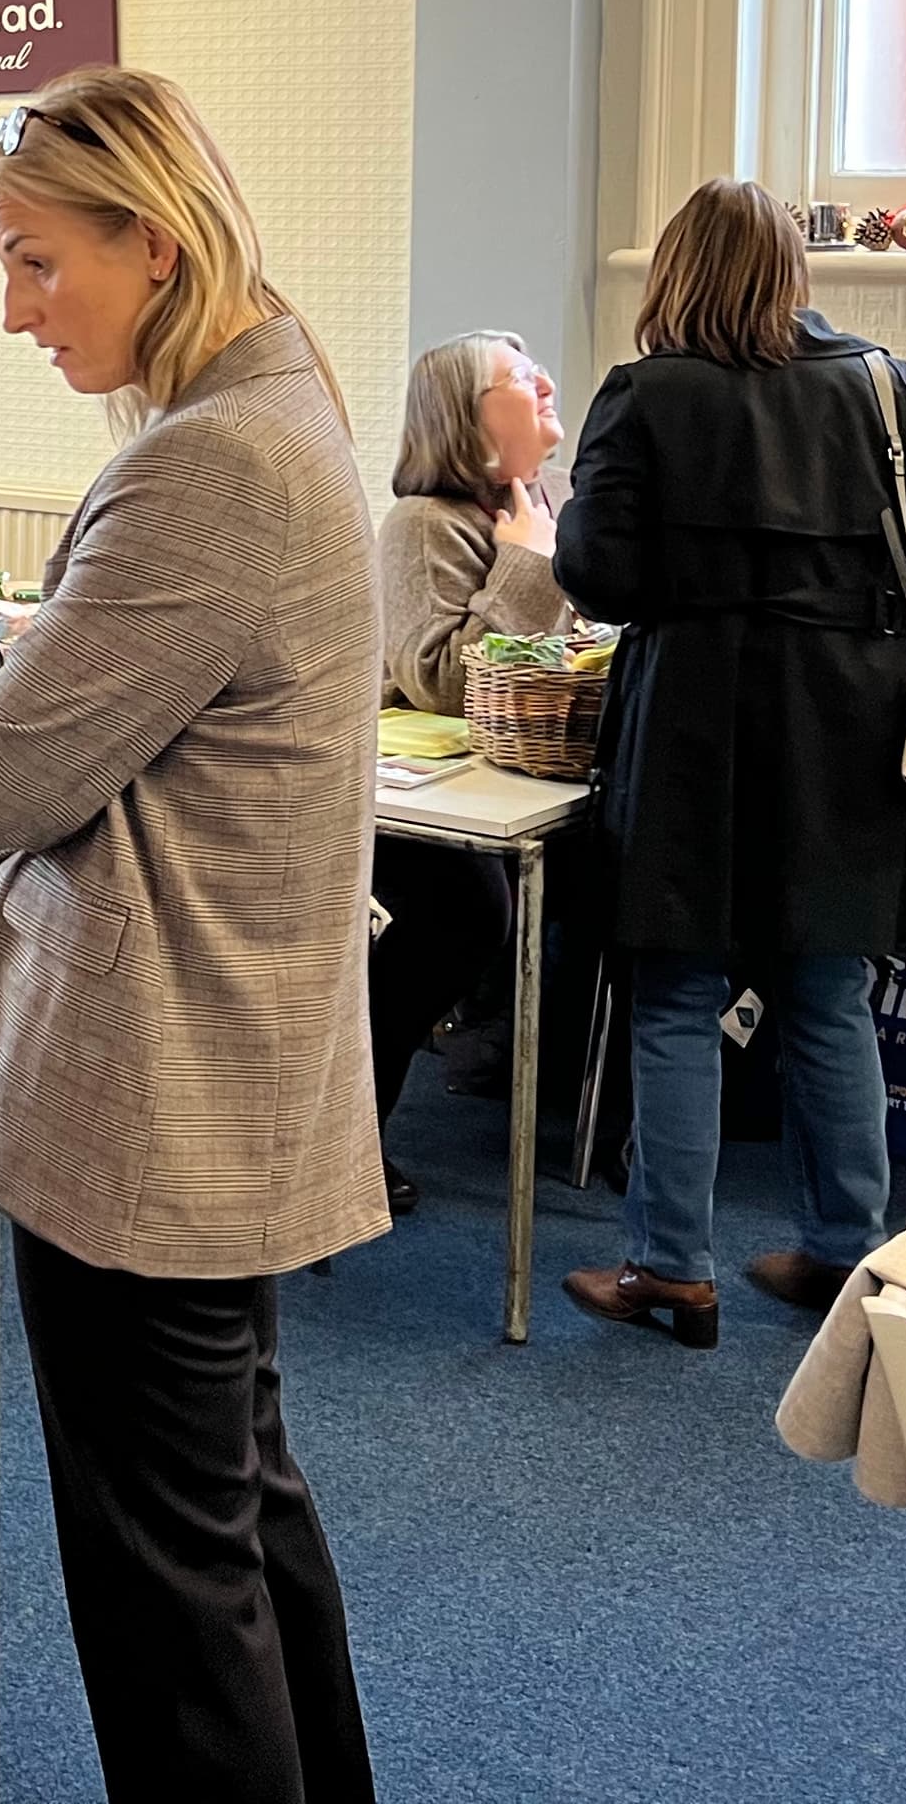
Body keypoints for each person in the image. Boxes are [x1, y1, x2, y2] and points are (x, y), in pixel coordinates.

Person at [0, 68, 384, 1802]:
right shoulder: (281, 395)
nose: (15, 310)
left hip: (150, 1092)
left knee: (168, 1591)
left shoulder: (209, 466)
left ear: (152, 248)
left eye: (36, 265)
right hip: (221, 1065)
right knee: (234, 1517)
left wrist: (0, 696)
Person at [555, 179, 906, 1346]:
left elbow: (594, 575)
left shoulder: (646, 397)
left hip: (693, 722)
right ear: (794, 272)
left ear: (676, 275)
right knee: (831, 994)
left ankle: (672, 1271)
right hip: (849, 729)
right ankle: (852, 1257)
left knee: (679, 999)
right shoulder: (890, 389)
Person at [366, 331, 564, 1213]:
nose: (548, 384)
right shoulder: (422, 525)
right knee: (464, 916)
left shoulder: (527, 506)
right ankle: (346, 1133)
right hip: (405, 800)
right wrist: (528, 565)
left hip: (501, 787)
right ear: (468, 416)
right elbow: (443, 681)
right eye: (521, 379)